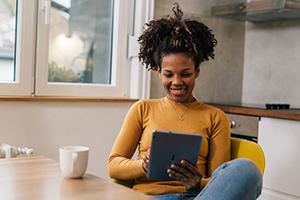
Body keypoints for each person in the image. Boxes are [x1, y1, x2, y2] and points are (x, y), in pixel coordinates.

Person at [108, 3, 262, 200]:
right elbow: (113, 164)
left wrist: (198, 184)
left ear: (197, 70)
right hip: (150, 197)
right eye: (168, 74)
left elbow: (219, 180)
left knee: (247, 169)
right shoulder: (143, 109)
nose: (177, 82)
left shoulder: (215, 117)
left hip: (197, 198)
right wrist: (143, 166)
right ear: (158, 72)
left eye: (186, 74)